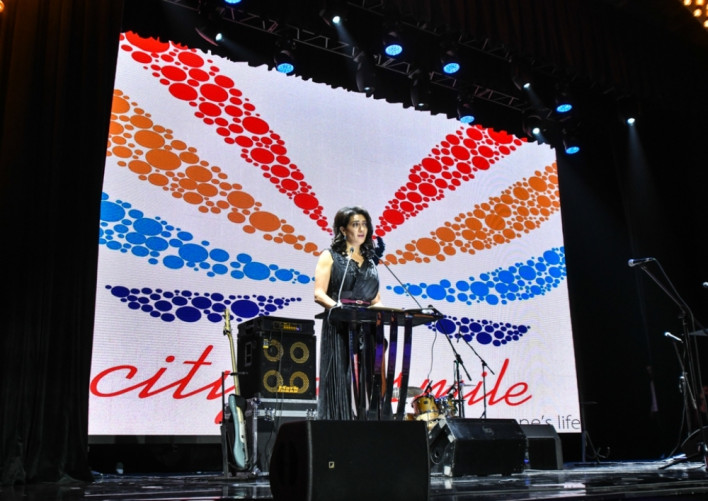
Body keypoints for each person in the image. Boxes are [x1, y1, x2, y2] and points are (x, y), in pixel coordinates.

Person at [314, 206, 382, 420]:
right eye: (355, 224)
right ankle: (337, 424)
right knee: (339, 377)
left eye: (364, 224)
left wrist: (385, 314)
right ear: (343, 230)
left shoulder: (371, 262)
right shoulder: (329, 256)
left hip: (366, 326)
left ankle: (372, 421)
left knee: (370, 377)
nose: (361, 229)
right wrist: (339, 309)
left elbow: (376, 300)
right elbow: (319, 293)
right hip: (340, 325)